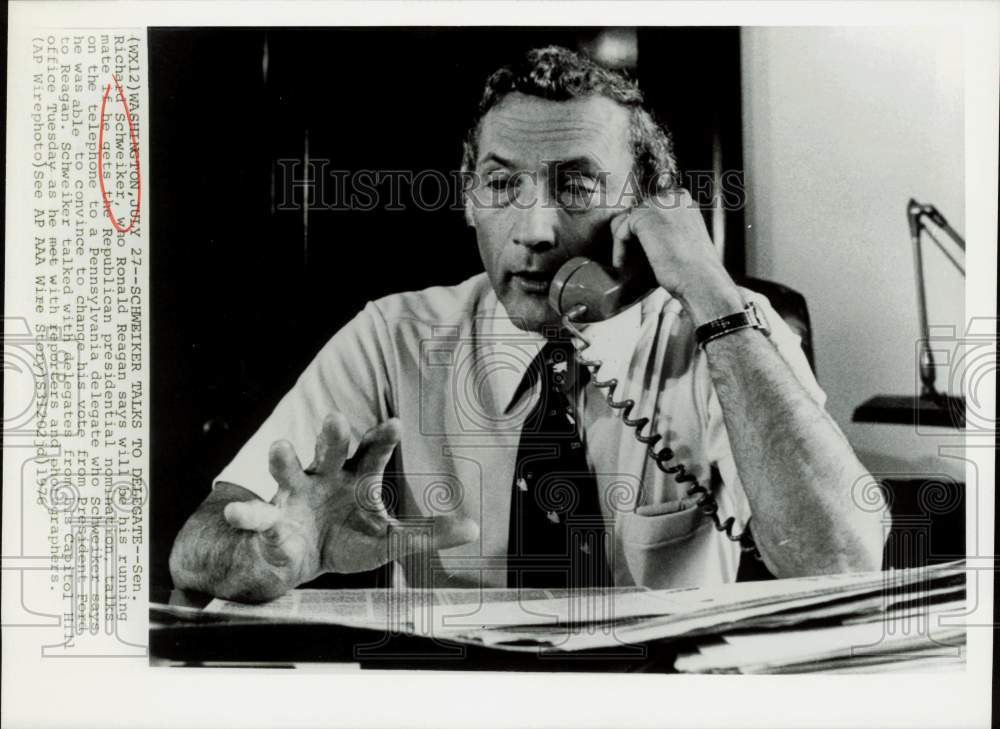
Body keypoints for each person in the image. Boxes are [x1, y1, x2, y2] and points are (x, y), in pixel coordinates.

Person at [169, 46, 886, 603]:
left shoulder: (730, 328)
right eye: (503, 184)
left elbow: (843, 561)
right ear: (469, 198)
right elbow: (199, 541)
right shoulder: (392, 337)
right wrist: (270, 553)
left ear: (646, 205)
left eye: (576, 185)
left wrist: (709, 293)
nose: (535, 229)